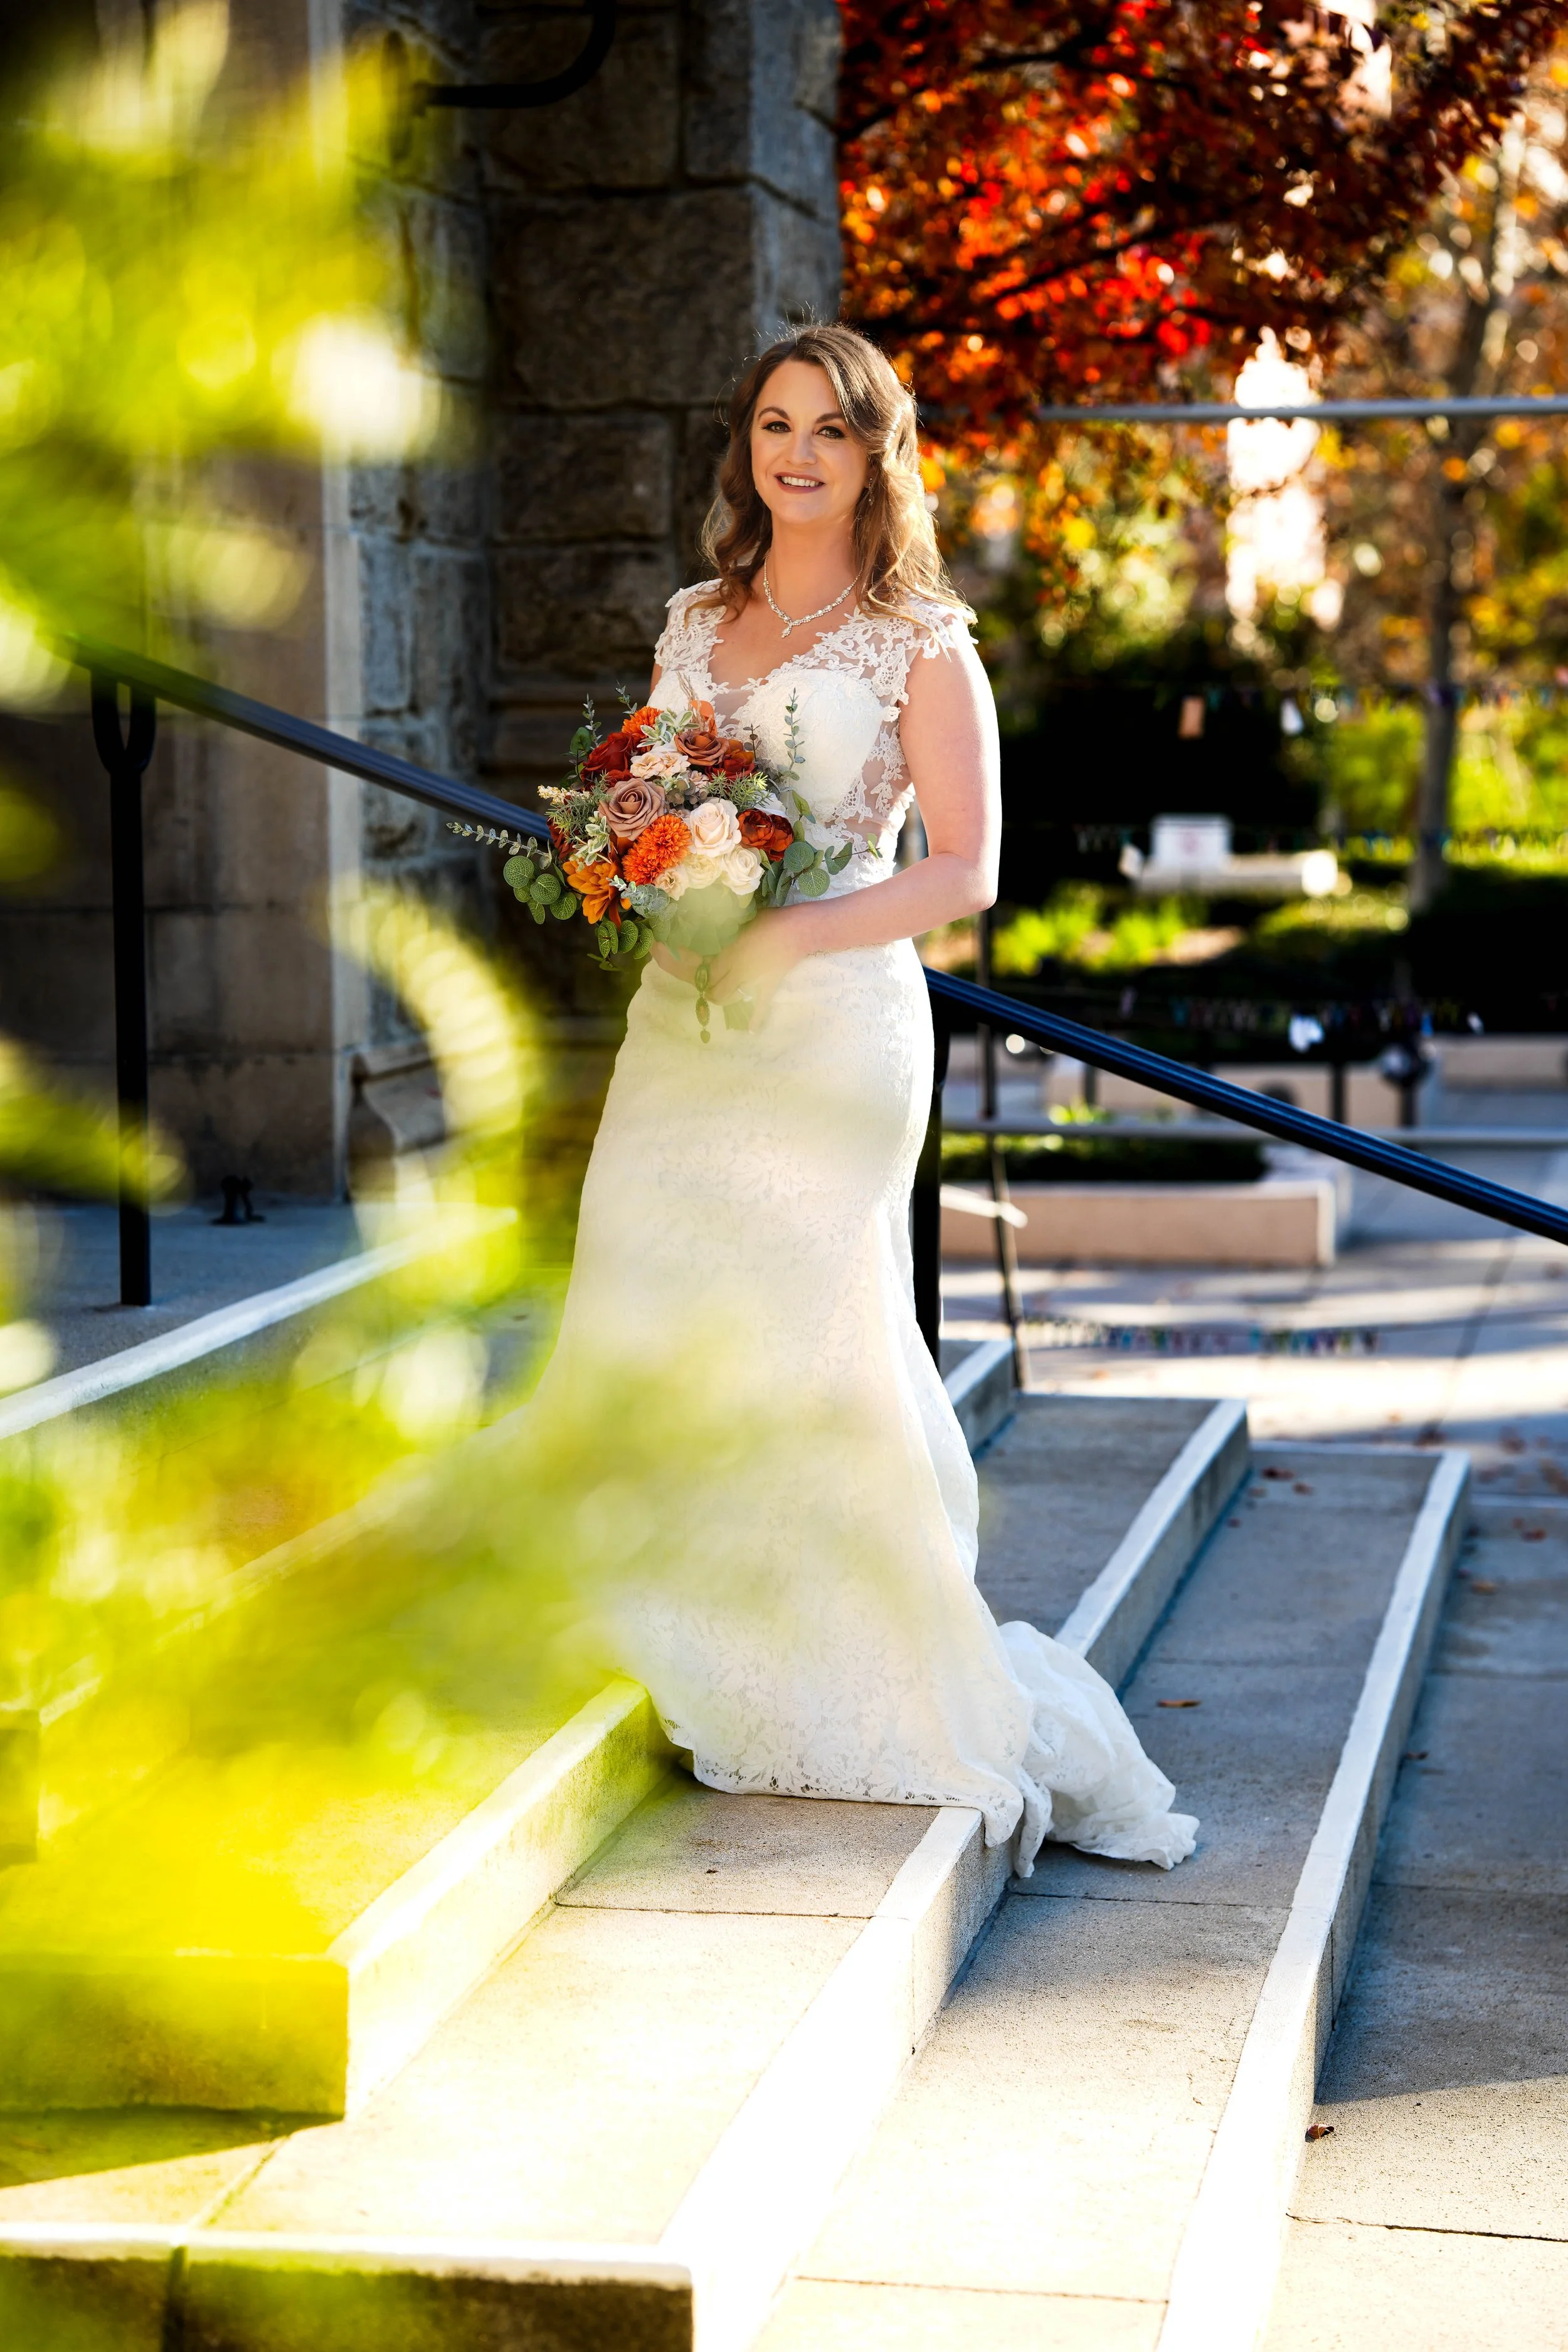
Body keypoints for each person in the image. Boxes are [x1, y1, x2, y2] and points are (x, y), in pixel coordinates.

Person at [529, 323, 1195, 1874]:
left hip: (832, 1031)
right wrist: (638, 873)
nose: (797, 454)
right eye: (774, 424)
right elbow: (656, 796)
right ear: (746, 446)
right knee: (641, 1295)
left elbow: (963, 871)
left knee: (809, 1335)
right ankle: (650, 1609)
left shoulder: (921, 644)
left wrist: (784, 934)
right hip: (680, 1025)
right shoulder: (695, 617)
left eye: (829, 428)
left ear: (875, 453)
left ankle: (834, 1665)